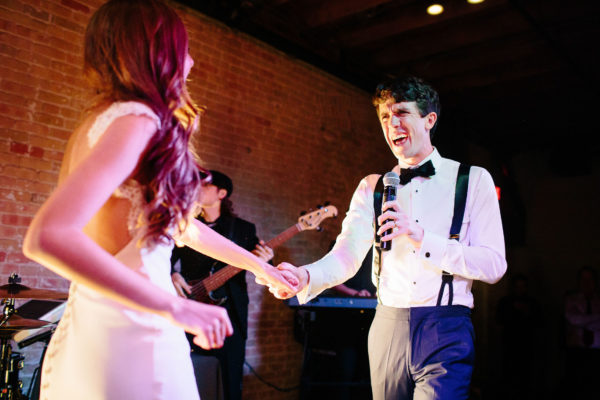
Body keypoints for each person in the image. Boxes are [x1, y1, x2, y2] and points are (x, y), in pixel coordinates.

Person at [21, 1, 296, 399]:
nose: (192, 61)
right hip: (134, 331)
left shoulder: (99, 121)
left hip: (101, 321)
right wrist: (176, 307)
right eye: (183, 48)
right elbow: (48, 236)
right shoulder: (137, 120)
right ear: (158, 51)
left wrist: (260, 267)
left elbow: (182, 229)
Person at [269, 76, 507, 399]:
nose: (391, 123)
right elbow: (346, 255)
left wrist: (421, 237)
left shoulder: (473, 180)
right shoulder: (372, 187)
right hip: (387, 325)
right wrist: (305, 276)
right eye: (384, 116)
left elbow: (493, 265)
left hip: (445, 327)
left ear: (429, 120)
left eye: (402, 113)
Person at [171, 170, 273, 400]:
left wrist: (267, 261)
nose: (197, 188)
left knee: (229, 381)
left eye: (205, 185)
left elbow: (263, 268)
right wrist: (173, 275)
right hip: (191, 306)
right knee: (189, 375)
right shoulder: (186, 225)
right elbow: (165, 257)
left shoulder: (243, 229)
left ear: (221, 193)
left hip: (229, 314)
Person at [563, 266, 600, 399]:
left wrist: (583, 320)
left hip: (596, 352)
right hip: (576, 351)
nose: (586, 283)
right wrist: (596, 318)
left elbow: (579, 320)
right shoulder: (571, 299)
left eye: (590, 279)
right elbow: (573, 319)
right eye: (583, 279)